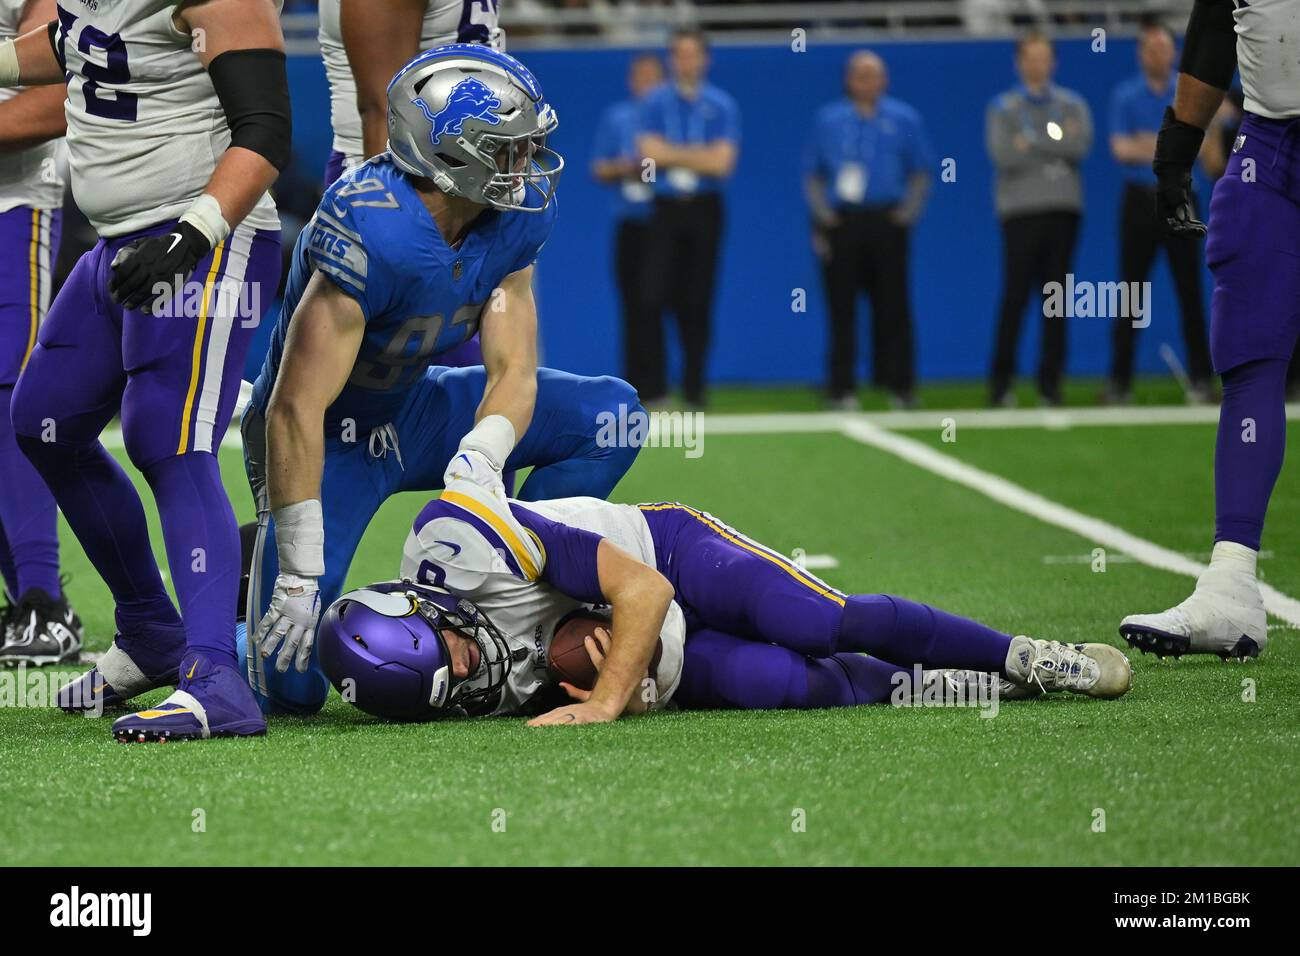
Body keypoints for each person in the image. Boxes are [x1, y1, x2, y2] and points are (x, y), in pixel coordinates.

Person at [202, 44, 644, 726]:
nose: (525, 164)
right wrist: (299, 567)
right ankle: (191, 641)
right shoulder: (371, 223)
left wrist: (484, 456)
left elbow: (513, 369)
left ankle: (516, 600)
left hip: (414, 406)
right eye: (507, 147)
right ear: (450, 150)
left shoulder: (516, 216)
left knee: (612, 417)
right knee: (288, 690)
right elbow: (293, 406)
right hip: (326, 439)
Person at [2, 0, 288, 742]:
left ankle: (215, 675)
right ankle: (150, 631)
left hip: (199, 238)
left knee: (169, 440)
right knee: (45, 423)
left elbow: (266, 130)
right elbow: (77, 48)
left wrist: (195, 234)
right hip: (119, 242)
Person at [309, 472, 1132, 725]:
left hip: (663, 554)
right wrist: (627, 695)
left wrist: (603, 701)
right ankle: (950, 685)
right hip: (650, 647)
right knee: (788, 687)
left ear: (428, 605)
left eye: (453, 655)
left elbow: (645, 588)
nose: (471, 673)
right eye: (450, 687)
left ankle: (1022, 655)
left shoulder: (464, 543)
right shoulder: (451, 690)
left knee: (816, 620)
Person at [1121, 0, 1298, 660]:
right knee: (1249, 350)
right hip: (1271, 143)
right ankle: (1232, 585)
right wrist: (1177, 151)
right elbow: (1217, 22)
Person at [0, 0, 82, 664]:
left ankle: (41, 602)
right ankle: (29, 602)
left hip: (11, 198)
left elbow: (58, 95)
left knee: (10, 398)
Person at [805, 50, 933, 410]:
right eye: (859, 74)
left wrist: (906, 214)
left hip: (886, 221)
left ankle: (901, 386)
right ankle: (841, 388)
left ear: (884, 79)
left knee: (894, 306)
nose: (865, 81)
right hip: (844, 223)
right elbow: (813, 174)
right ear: (848, 80)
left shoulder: (904, 118)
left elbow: (921, 171)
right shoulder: (828, 119)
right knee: (841, 309)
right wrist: (824, 216)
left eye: (872, 74)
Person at [1106, 21, 1213, 404]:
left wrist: (1147, 143)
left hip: (1181, 197)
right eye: (1150, 48)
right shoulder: (1125, 95)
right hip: (1139, 199)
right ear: (1141, 54)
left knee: (1190, 291)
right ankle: (1120, 384)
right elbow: (1120, 149)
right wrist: (1171, 144)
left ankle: (1202, 379)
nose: (1158, 55)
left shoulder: (1189, 94)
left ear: (1175, 53)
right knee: (1130, 292)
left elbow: (1202, 147)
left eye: (1164, 48)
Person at [634, 28, 740, 408]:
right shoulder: (654, 101)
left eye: (691, 54)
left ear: (705, 59)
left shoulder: (722, 104)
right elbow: (647, 156)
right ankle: (654, 390)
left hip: (705, 208)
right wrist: (699, 155)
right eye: (678, 54)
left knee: (698, 299)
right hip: (663, 209)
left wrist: (672, 153)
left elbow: (723, 163)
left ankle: (695, 390)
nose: (685, 61)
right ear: (670, 59)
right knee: (651, 297)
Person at [986, 32, 1092, 407]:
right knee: (1015, 297)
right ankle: (1001, 385)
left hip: (1063, 211)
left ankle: (1051, 385)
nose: (1037, 64)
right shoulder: (1002, 107)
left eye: (1043, 57)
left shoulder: (1072, 104)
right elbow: (1004, 156)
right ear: (1019, 62)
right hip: (1019, 213)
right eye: (1030, 57)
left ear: (1054, 62)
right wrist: (1055, 145)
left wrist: (1030, 140)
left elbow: (1078, 148)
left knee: (1056, 300)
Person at [592, 52, 664, 396]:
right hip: (630, 222)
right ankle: (636, 385)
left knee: (661, 301)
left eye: (653, 77)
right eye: (640, 77)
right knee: (633, 302)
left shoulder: (669, 116)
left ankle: (663, 384)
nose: (646, 84)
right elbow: (600, 168)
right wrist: (627, 167)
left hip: (664, 221)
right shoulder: (618, 117)